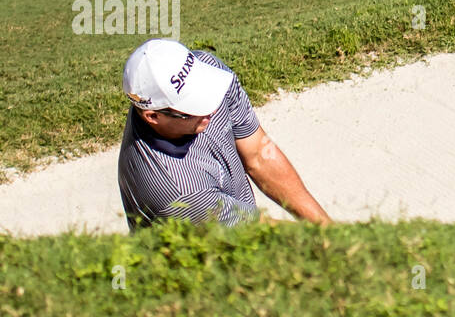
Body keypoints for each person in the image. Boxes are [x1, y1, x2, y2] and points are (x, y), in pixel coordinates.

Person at [117, 39, 331, 230]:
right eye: (194, 107)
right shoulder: (176, 189)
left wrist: (326, 229)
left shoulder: (210, 70)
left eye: (204, 91)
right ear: (153, 116)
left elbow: (258, 155)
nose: (210, 108)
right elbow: (260, 233)